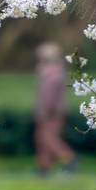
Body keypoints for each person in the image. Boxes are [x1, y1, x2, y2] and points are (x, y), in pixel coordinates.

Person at [33, 41, 77, 175]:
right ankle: (44, 167)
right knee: (42, 138)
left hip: (52, 112)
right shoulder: (51, 73)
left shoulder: (54, 74)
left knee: (48, 137)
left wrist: (45, 110)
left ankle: (68, 158)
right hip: (50, 111)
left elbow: (50, 95)